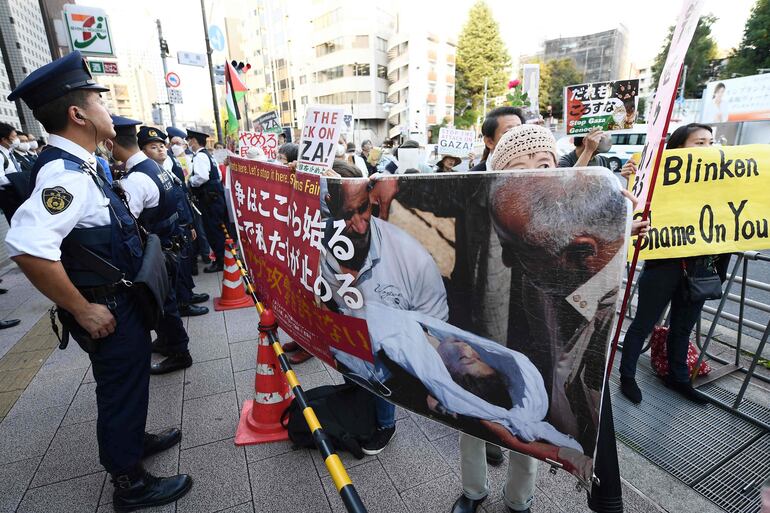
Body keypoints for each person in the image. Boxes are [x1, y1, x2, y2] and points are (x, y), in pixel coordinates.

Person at [6, 51, 191, 510]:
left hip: (119, 301)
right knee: (119, 388)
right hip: (105, 308)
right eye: (99, 101)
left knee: (127, 384)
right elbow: (28, 247)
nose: (108, 110)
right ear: (78, 114)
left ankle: (133, 442)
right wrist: (82, 309)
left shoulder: (84, 165)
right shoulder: (64, 175)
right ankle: (129, 482)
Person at [370, 106, 527, 472]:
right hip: (467, 313)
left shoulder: (551, 188)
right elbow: (417, 196)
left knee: (519, 410)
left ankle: (520, 498)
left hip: (520, 323)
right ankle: (474, 486)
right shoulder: (466, 184)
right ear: (489, 142)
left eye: (524, 132)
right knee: (469, 407)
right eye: (508, 134)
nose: (518, 142)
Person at [321, 172, 448, 455]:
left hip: (392, 347)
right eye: (346, 214)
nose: (357, 224)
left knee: (381, 373)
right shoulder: (325, 235)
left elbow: (436, 328)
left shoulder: (413, 258)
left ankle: (386, 425)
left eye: (363, 210)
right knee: (355, 373)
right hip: (346, 336)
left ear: (371, 200)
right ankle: (361, 408)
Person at [618, 123, 728, 405]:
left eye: (711, 142)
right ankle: (627, 376)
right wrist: (632, 178)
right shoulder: (657, 176)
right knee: (643, 322)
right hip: (662, 264)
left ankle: (679, 378)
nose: (707, 148)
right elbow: (635, 207)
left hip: (699, 265)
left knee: (682, 327)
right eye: (699, 142)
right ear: (678, 148)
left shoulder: (722, 178)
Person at [107, 117, 194, 375]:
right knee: (167, 298)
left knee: (164, 303)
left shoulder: (135, 179)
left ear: (111, 145)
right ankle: (168, 342)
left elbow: (127, 223)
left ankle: (179, 352)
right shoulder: (155, 168)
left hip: (156, 249)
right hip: (168, 244)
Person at [140, 127, 209, 317]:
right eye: (154, 147)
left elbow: (182, 198)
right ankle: (183, 302)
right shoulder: (149, 174)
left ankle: (188, 294)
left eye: (163, 145)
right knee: (178, 267)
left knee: (185, 265)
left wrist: (189, 224)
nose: (162, 149)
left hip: (182, 225)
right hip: (171, 231)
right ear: (143, 152)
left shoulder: (166, 170)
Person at [186, 129, 226, 273]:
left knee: (213, 231)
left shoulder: (200, 157)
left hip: (209, 199)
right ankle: (222, 260)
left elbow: (202, 176)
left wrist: (190, 181)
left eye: (189, 140)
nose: (188, 143)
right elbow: (219, 176)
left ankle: (220, 262)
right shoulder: (209, 155)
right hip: (216, 197)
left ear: (194, 141)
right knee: (218, 229)